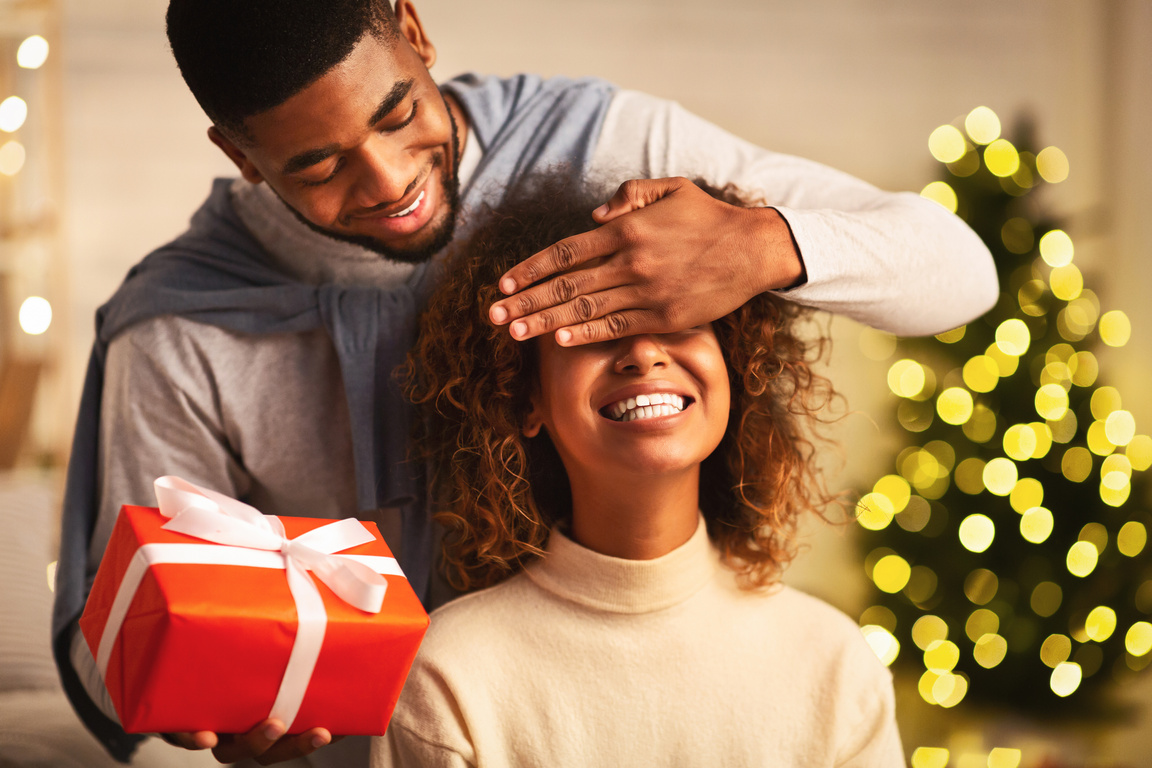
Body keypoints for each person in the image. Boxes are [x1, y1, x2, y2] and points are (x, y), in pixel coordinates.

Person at [52, 0, 995, 765]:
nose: (386, 182)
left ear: (414, 31)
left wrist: (763, 244)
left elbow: (960, 273)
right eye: (321, 166)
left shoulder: (609, 149)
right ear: (239, 155)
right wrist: (203, 707)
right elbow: (119, 650)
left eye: (397, 114)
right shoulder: (181, 328)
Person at [374, 174, 902, 766]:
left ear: (732, 364)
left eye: (677, 318)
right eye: (594, 326)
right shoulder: (449, 678)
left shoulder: (833, 662)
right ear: (527, 400)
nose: (644, 354)